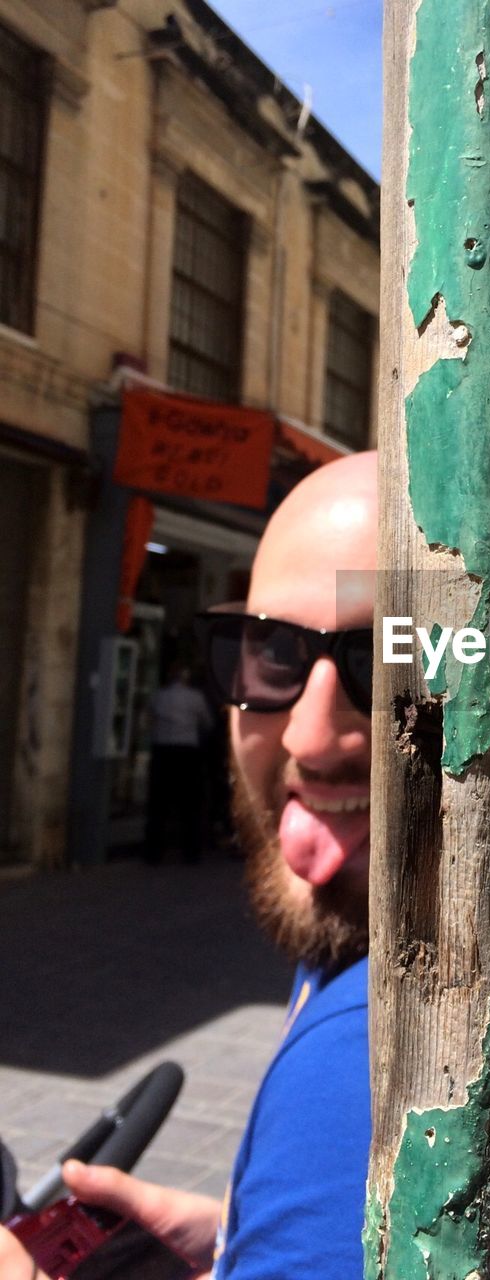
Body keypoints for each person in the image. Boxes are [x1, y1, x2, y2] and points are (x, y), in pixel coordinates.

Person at [0, 451, 377, 1278]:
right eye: (273, 651)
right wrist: (246, 1235)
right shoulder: (344, 946)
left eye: (390, 661)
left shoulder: (363, 1055)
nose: (313, 738)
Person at [145, 664, 213, 864]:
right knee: (189, 804)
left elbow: (148, 720)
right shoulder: (195, 698)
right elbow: (207, 723)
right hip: (187, 752)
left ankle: (153, 852)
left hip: (163, 750)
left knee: (158, 803)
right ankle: (191, 852)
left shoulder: (159, 696)